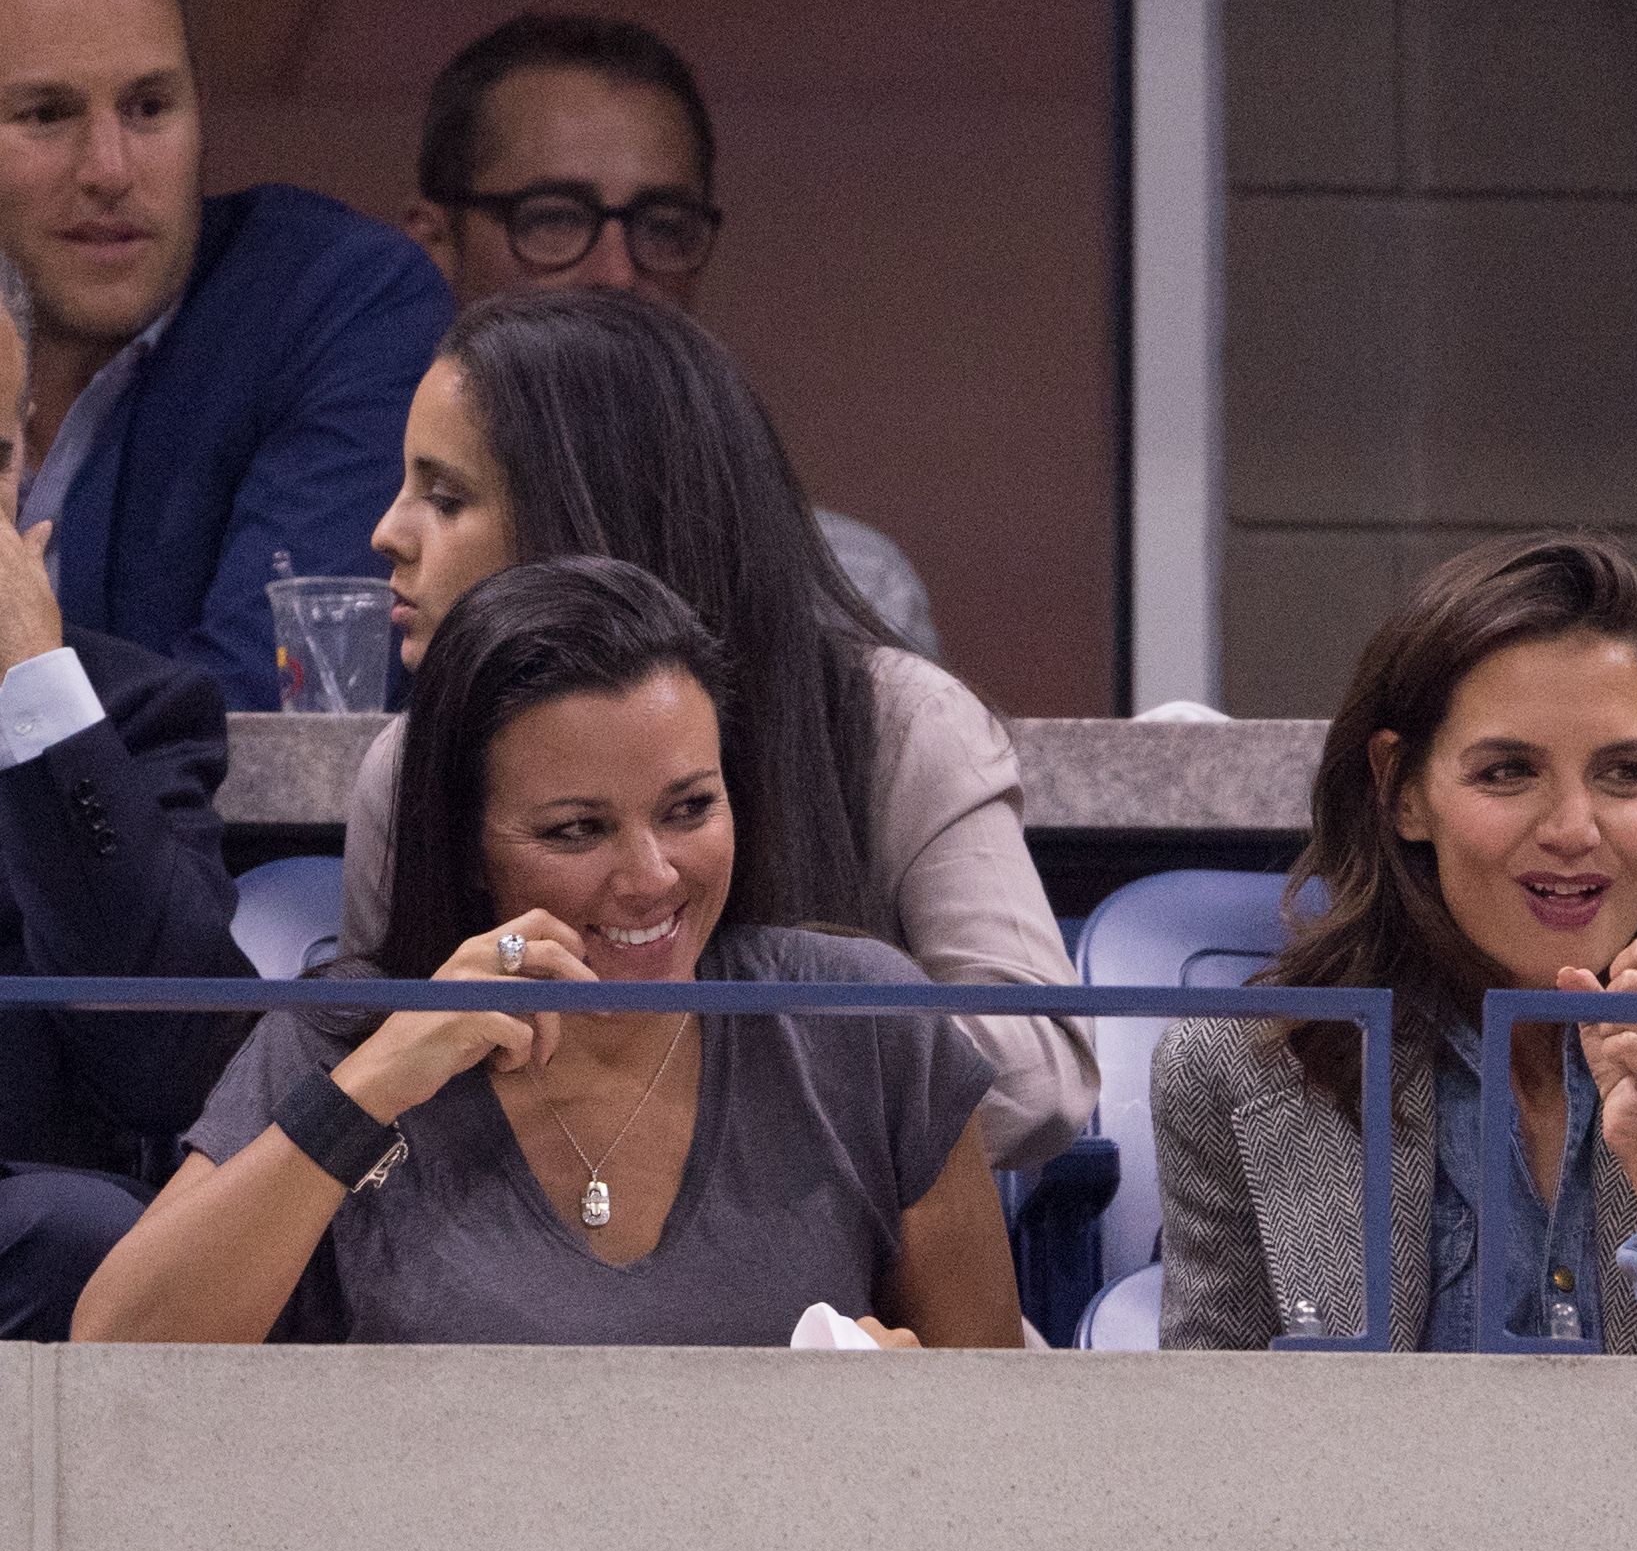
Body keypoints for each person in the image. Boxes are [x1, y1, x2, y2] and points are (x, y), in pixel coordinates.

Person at [74, 558, 1022, 1347]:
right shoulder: (343, 1037)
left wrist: (910, 1409)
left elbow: (999, 1446)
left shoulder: (865, 1024)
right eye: (577, 831)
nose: (652, 877)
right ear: (467, 847)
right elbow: (115, 1352)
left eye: (690, 809)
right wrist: (374, 1090)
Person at [337, 290, 1094, 1170]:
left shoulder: (899, 720)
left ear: (591, 520)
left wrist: (685, 1060)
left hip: (858, 1297)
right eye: (577, 828)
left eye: (448, 497)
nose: (387, 532)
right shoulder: (405, 767)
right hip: (507, 1274)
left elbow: (1037, 1079)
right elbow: (363, 1078)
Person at [1155, 534, 1637, 1354]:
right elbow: (1211, 1443)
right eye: (1508, 772)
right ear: (1402, 790)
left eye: (1624, 773)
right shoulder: (1235, 1070)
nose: (1574, 831)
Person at [0, 0, 450, 709]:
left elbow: (261, 702)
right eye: (46, 115)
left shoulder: (337, 300)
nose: (110, 169)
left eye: (148, 106)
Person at [403, 11, 940, 658]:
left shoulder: (841, 590)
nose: (618, 272)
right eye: (551, 219)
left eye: (663, 226)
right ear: (434, 246)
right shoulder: (359, 573)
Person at [0, 249, 254, 1338]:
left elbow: (179, 1067)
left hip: (23, 1235)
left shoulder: (122, 715)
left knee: (83, 1237)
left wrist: (36, 699)